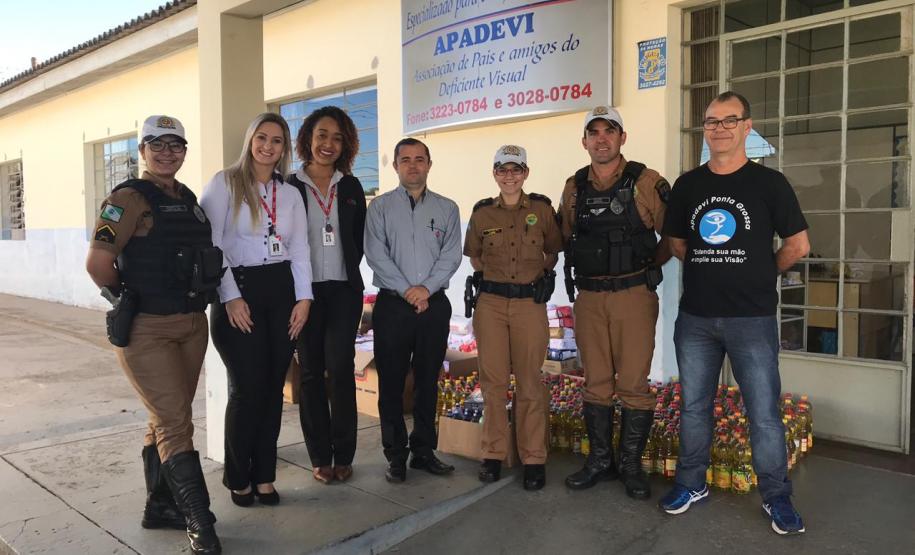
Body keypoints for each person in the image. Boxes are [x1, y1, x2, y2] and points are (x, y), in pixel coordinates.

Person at [658, 91, 810, 535]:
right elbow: (678, 243)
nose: (719, 128)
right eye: (711, 121)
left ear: (747, 127)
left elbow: (798, 245)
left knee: (763, 413)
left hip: (752, 320)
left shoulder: (770, 183)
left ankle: (777, 496)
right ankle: (691, 484)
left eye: (729, 120)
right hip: (696, 319)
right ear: (704, 129)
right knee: (693, 408)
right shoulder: (688, 185)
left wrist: (762, 273)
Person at [85, 115, 222, 555]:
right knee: (176, 422)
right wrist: (126, 297)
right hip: (148, 329)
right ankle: (201, 522)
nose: (167, 153)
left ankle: (160, 505)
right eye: (157, 144)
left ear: (184, 152)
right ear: (142, 151)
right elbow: (98, 264)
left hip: (191, 324)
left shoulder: (189, 200)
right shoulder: (125, 199)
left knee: (166, 417)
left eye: (175, 145)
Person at [200, 112, 313, 507]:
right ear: (250, 140)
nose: (268, 146)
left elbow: (300, 249)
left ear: (284, 149)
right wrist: (230, 296)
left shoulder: (290, 193)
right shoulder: (225, 183)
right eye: (262, 137)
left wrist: (304, 299)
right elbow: (211, 245)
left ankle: (265, 475)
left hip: (281, 292)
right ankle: (238, 477)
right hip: (239, 291)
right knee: (247, 391)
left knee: (272, 392)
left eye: (277, 140)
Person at [559, 106, 671, 500]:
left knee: (634, 383)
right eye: (594, 132)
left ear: (623, 137)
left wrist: (646, 268)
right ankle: (600, 462)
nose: (602, 139)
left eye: (610, 131)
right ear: (584, 141)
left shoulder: (646, 181)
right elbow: (566, 236)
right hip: (590, 297)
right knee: (596, 382)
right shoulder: (574, 187)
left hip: (632, 297)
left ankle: (630, 466)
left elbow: (673, 237)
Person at [464, 145, 563, 490]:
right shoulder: (482, 214)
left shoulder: (542, 210)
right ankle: (492, 453)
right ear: (494, 173)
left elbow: (553, 250)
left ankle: (533, 457)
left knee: (530, 382)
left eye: (515, 169)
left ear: (525, 173)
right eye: (503, 170)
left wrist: (537, 276)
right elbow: (475, 257)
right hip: (491, 304)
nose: (509, 176)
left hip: (528, 305)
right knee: (493, 383)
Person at [364, 137, 462, 483]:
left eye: (419, 159)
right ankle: (395, 454)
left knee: (427, 381)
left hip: (433, 306)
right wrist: (409, 291)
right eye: (405, 160)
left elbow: (451, 255)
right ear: (395, 166)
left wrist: (426, 289)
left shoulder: (447, 208)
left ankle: (423, 451)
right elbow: (375, 254)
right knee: (391, 383)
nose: (413, 165)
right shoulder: (379, 208)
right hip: (393, 306)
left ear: (429, 164)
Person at [286, 106, 367, 484]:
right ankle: (320, 456)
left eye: (337, 137)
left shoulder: (350, 187)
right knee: (310, 373)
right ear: (308, 139)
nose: (328, 144)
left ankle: (344, 453)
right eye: (322, 135)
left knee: (341, 369)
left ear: (345, 144)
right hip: (304, 294)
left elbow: (358, 239)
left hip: (344, 291)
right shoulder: (289, 185)